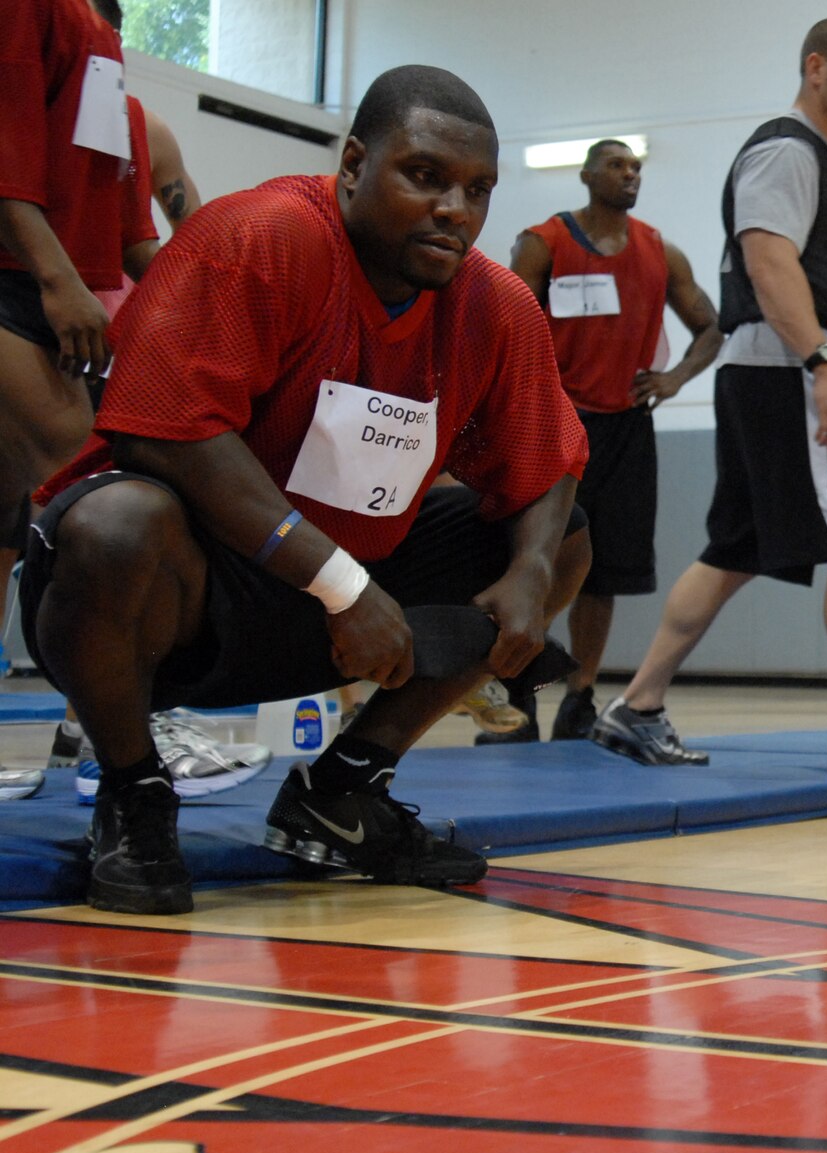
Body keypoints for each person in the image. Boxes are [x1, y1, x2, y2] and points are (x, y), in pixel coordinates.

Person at [25, 64, 590, 917]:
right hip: (176, 602)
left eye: (477, 190)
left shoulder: (494, 304)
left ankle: (345, 791)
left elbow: (547, 461)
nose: (454, 210)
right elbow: (161, 429)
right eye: (425, 176)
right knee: (116, 523)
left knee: (566, 533)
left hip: (339, 604)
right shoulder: (257, 236)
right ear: (355, 164)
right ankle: (133, 790)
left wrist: (536, 569)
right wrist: (340, 582)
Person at [589, 16, 827, 779]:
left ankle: (637, 706)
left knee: (734, 549)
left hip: (770, 371)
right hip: (789, 376)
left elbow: (792, 261)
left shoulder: (815, 161)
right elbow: (766, 263)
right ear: (817, 68)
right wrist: (825, 364)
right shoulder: (787, 150)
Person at [39, 87, 275, 801]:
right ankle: (100, 722)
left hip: (113, 343)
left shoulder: (143, 125)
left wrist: (201, 312)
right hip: (39, 319)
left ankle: (100, 721)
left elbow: (195, 238)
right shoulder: (32, 100)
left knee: (120, 523)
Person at [499, 137, 722, 744]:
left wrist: (674, 377)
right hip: (555, 424)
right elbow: (506, 327)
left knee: (605, 571)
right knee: (538, 563)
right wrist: (529, 399)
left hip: (625, 427)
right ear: (587, 174)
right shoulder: (544, 242)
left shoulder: (658, 251)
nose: (629, 174)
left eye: (636, 167)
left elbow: (710, 327)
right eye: (617, 165)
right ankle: (519, 698)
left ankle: (579, 695)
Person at [0, 0, 137, 801]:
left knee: (8, 523)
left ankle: (86, 733)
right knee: (93, 502)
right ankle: (115, 734)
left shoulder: (104, 27)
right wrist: (58, 278)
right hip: (22, 283)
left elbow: (119, 214)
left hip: (60, 291)